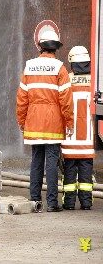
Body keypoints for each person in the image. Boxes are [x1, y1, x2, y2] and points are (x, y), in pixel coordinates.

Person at [16, 30, 74, 212]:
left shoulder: (29, 67)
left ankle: (34, 201)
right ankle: (52, 203)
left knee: (36, 161)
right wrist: (70, 122)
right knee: (51, 162)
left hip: (33, 121)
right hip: (53, 123)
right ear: (55, 48)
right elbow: (66, 99)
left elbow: (21, 99)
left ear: (40, 46)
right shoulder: (60, 68)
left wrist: (22, 122)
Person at [61, 46, 95, 210]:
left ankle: (68, 203)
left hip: (69, 138)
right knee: (86, 175)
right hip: (87, 140)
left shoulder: (67, 79)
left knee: (69, 173)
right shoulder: (94, 81)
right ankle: (86, 203)